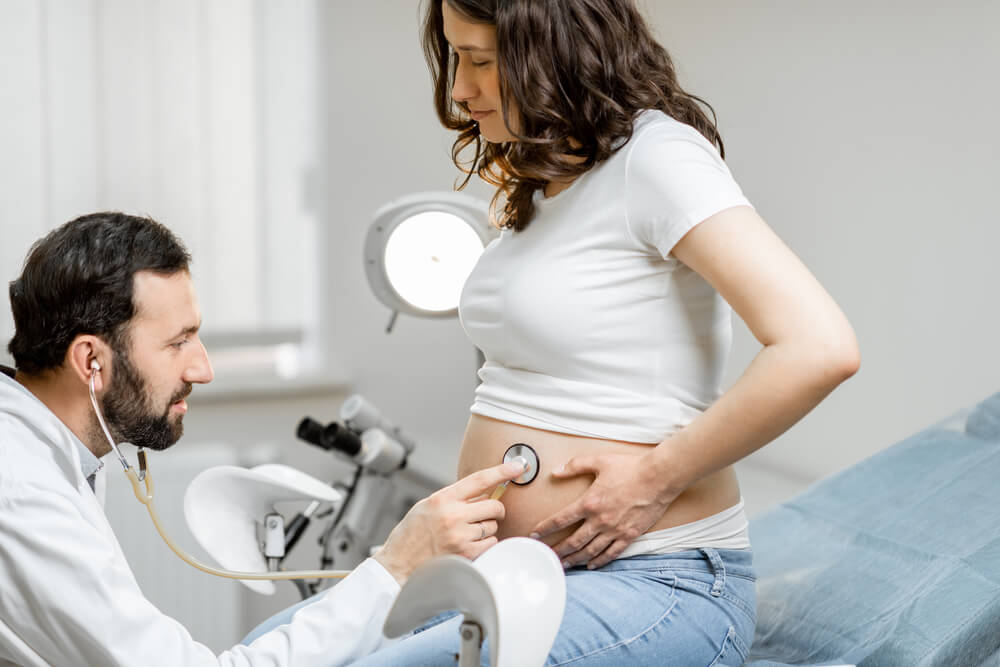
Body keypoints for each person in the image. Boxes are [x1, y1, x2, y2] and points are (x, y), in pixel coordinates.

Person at [349, 1, 861, 665]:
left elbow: (820, 346)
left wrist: (652, 477)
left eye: (479, 60)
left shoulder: (658, 156)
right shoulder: (544, 180)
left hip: (658, 580)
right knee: (297, 647)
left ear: (552, 50)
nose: (459, 89)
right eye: (455, 58)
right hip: (517, 578)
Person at [0, 212, 525, 666]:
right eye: (178, 342)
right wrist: (397, 567)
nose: (202, 368)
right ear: (91, 361)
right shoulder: (24, 494)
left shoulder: (47, 451)